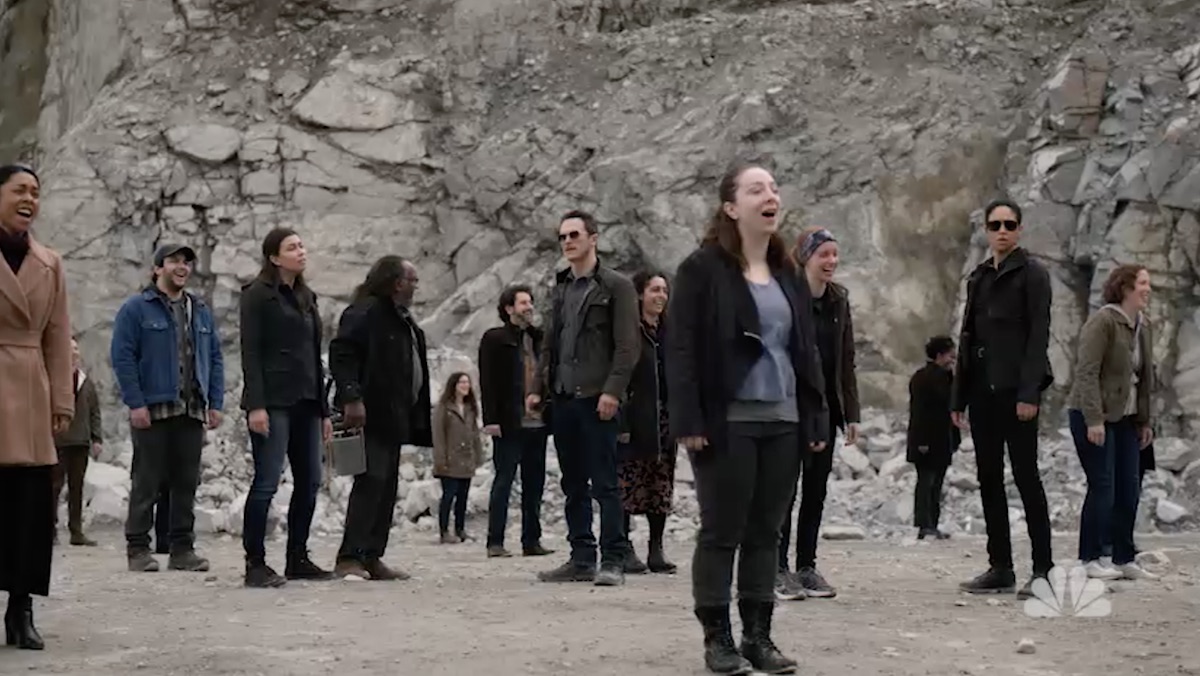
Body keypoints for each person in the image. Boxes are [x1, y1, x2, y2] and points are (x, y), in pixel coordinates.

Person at [667, 160, 828, 675]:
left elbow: (807, 351)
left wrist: (816, 417)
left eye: (775, 187)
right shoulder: (701, 269)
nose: (770, 194)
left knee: (767, 530)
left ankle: (759, 637)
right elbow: (682, 349)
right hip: (726, 421)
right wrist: (688, 419)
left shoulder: (787, 274)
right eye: (756, 188)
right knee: (722, 529)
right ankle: (718, 639)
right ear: (732, 207)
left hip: (783, 420)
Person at [951, 198, 1055, 598]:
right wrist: (958, 398)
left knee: (1027, 479)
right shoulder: (978, 277)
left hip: (1017, 395)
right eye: (995, 225)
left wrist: (1030, 393)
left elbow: (1038, 338)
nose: (1002, 231)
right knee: (989, 479)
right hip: (982, 395)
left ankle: (1043, 569)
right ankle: (1001, 566)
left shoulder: (1033, 274)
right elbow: (967, 338)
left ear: (1020, 229)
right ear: (986, 230)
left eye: (1010, 224)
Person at [531, 210, 640, 587]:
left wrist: (613, 391)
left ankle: (613, 558)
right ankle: (581, 557)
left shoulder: (616, 287)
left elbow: (627, 346)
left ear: (593, 238)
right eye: (562, 237)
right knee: (572, 482)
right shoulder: (561, 288)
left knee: (605, 483)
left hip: (598, 398)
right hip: (563, 399)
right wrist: (536, 388)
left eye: (574, 235)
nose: (567, 242)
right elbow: (550, 342)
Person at [111, 242, 224, 574]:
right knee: (146, 481)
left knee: (186, 482)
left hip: (191, 409)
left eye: (187, 262)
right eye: (174, 261)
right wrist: (136, 402)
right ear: (157, 268)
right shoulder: (136, 309)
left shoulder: (199, 310)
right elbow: (123, 357)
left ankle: (181, 550)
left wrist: (215, 402)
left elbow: (214, 358)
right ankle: (138, 549)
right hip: (153, 410)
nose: (182, 267)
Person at [0, 164, 73, 651]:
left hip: (28, 388)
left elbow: (58, 334)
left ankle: (21, 609)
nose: (29, 199)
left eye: (35, 192)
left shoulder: (50, 262)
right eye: (18, 190)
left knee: (29, 508)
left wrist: (61, 400)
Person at [239, 227, 333, 588]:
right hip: (273, 400)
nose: (301, 251)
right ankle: (255, 563)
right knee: (266, 481)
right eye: (292, 247)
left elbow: (314, 354)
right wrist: (257, 405)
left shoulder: (307, 296)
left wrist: (325, 411)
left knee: (309, 480)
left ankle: (298, 556)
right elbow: (251, 351)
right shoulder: (257, 295)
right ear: (274, 257)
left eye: (302, 245)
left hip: (308, 400)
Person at [330, 255, 431, 581]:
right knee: (370, 483)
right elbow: (342, 354)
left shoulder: (401, 319)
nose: (416, 286)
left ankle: (372, 555)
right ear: (396, 282)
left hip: (394, 416)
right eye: (412, 279)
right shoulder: (366, 313)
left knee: (387, 487)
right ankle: (350, 556)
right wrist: (352, 398)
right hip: (369, 415)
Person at [776, 227, 861, 601]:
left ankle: (806, 566)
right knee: (783, 491)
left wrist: (852, 413)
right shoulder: (785, 296)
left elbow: (846, 361)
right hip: (789, 407)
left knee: (816, 489)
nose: (831, 261)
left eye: (834, 254)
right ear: (806, 257)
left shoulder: (838, 300)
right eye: (824, 254)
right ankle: (777, 569)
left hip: (824, 409)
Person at [1066, 264, 1157, 581]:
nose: (1147, 289)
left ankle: (1122, 556)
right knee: (1103, 485)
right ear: (1125, 287)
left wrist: (1145, 421)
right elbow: (1087, 372)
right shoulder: (1103, 321)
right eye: (1143, 283)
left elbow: (1145, 378)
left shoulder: (1143, 326)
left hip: (1128, 419)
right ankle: (1090, 557)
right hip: (1093, 415)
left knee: (1129, 487)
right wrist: (1094, 419)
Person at [478, 284, 553, 558]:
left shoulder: (539, 338)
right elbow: (487, 381)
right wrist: (491, 419)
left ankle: (531, 541)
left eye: (530, 302)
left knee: (535, 483)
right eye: (523, 303)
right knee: (504, 481)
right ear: (509, 308)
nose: (529, 307)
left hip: (538, 423)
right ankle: (495, 542)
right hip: (510, 423)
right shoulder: (495, 339)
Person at [617, 270, 677, 575]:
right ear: (640, 294)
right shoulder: (630, 330)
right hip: (635, 416)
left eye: (664, 290)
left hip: (666, 419)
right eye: (655, 290)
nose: (661, 296)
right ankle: (624, 548)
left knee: (661, 484)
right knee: (628, 482)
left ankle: (656, 549)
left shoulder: (669, 331)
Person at [906, 335, 960, 540]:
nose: (952, 360)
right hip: (926, 440)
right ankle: (923, 524)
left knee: (937, 483)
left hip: (942, 440)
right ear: (939, 355)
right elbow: (919, 413)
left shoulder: (947, 378)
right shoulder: (923, 378)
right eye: (949, 356)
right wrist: (921, 442)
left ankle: (933, 524)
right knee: (926, 482)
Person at [52, 337, 103, 547]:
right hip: (58, 441)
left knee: (77, 487)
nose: (74, 352)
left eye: (76, 349)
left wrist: (97, 438)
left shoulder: (86, 382)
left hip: (80, 442)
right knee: (54, 487)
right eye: (69, 348)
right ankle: (50, 530)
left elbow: (95, 413)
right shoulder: (54, 379)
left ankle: (76, 531)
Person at [433, 372, 484, 543]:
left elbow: (475, 434)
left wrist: (478, 456)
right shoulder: (444, 408)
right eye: (461, 382)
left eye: (467, 382)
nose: (465, 385)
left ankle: (460, 529)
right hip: (449, 460)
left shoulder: (470, 408)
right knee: (449, 496)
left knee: (463, 497)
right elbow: (439, 436)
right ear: (453, 385)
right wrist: (441, 460)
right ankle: (444, 531)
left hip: (466, 459)